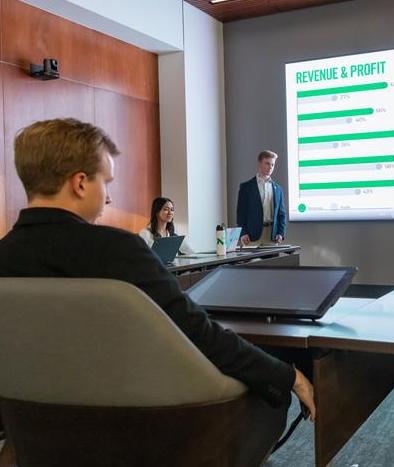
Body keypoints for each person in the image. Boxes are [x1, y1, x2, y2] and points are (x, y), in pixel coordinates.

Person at [0, 119, 315, 466]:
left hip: (36, 430)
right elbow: (199, 333)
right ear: (79, 183)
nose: (108, 196)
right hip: (148, 429)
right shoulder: (117, 251)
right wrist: (288, 376)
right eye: (105, 182)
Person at [237, 150, 287, 246]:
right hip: (251, 236)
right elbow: (241, 213)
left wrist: (280, 233)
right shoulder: (246, 187)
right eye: (267, 163)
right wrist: (243, 233)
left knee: (272, 261)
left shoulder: (278, 189)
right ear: (259, 164)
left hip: (272, 236)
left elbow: (281, 214)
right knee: (252, 261)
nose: (270, 167)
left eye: (272, 164)